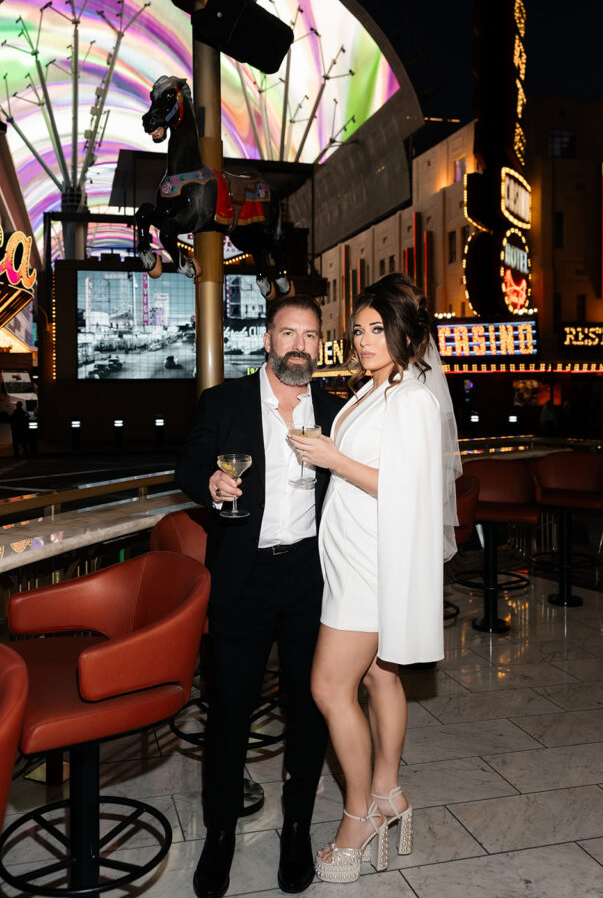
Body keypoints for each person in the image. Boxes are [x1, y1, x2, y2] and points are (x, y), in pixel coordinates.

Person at [290, 273, 461, 884]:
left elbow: (407, 489)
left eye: (376, 329)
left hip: (371, 562)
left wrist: (334, 459)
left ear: (404, 330)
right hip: (352, 557)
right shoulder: (374, 389)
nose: (363, 340)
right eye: (358, 330)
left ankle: (358, 817)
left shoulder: (411, 396)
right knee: (379, 677)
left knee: (329, 688)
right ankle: (388, 793)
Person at [176, 295, 344, 898]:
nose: (299, 344)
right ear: (267, 340)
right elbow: (188, 465)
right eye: (288, 333)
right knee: (229, 711)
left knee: (308, 708)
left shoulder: (334, 410)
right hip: (242, 577)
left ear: (318, 346)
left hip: (311, 576)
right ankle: (220, 833)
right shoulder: (224, 403)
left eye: (310, 335)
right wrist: (212, 482)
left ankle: (296, 828)